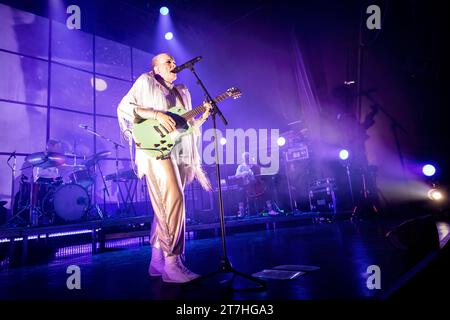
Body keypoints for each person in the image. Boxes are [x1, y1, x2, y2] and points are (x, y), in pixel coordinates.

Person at [117, 53, 212, 283]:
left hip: (174, 149)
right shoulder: (145, 81)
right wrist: (156, 113)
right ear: (156, 69)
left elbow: (182, 127)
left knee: (165, 204)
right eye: (167, 62)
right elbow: (125, 107)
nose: (173, 64)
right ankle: (173, 263)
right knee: (174, 199)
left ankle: (157, 260)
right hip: (153, 149)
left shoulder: (181, 92)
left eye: (173, 61)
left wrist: (201, 118)